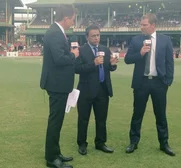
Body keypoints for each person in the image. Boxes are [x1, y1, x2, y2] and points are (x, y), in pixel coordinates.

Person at [124, 13, 175, 156]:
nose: (142, 27)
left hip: (159, 83)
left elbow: (169, 63)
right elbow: (127, 59)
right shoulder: (136, 40)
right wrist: (140, 53)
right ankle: (133, 142)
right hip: (141, 83)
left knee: (161, 115)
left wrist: (168, 81)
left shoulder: (165, 40)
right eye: (141, 24)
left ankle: (164, 143)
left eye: (144, 25)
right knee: (137, 114)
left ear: (153, 25)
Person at [40, 4, 79, 168]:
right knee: (55, 121)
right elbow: (59, 59)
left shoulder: (57, 32)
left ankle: (56, 152)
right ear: (66, 18)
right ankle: (51, 158)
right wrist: (73, 55)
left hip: (59, 84)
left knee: (57, 120)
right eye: (73, 19)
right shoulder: (55, 33)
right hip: (56, 85)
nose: (73, 22)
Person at [75, 25, 118, 155]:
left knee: (101, 119)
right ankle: (82, 144)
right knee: (83, 119)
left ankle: (100, 142)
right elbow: (77, 69)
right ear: (87, 36)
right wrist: (93, 64)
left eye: (98, 35)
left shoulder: (105, 49)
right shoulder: (81, 50)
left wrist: (112, 64)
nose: (96, 38)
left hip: (102, 89)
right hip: (86, 90)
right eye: (93, 35)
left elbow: (109, 68)